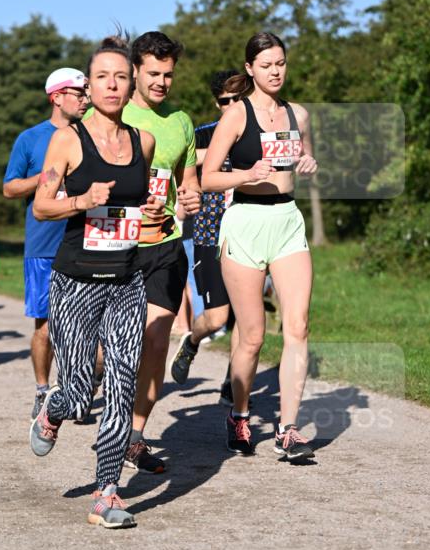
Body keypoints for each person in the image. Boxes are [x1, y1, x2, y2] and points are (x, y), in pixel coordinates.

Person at [30, 35, 161, 528]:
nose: (112, 84)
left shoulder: (143, 142)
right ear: (89, 85)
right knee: (81, 392)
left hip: (127, 280)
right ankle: (54, 409)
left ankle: (107, 493)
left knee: (123, 384)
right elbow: (42, 206)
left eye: (121, 76)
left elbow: (139, 206)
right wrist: (81, 201)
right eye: (102, 76)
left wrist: (154, 210)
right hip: (76, 282)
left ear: (132, 85)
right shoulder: (69, 140)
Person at [202, 32, 318, 461]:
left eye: (281, 63)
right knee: (251, 336)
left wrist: (308, 162)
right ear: (250, 69)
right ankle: (239, 415)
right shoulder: (237, 115)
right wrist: (246, 175)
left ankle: (288, 430)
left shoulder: (298, 114)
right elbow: (208, 177)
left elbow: (303, 159)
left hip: (286, 221)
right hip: (246, 222)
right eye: (267, 65)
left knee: (298, 326)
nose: (276, 71)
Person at [118, 31, 202, 474]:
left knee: (155, 342)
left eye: (168, 75)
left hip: (165, 244)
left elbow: (188, 181)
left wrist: (191, 196)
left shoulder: (181, 121)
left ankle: (134, 437)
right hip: (118, 245)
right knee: (115, 348)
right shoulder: (110, 112)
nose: (161, 82)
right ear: (135, 70)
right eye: (153, 73)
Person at [3, 68, 89, 417]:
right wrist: (47, 177)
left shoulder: (93, 135)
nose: (85, 99)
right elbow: (9, 188)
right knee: (46, 325)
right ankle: (43, 390)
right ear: (56, 97)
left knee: (88, 325)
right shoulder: (31, 138)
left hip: (87, 240)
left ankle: (80, 384)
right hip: (43, 245)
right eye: (78, 93)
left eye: (86, 93)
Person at [170, 70, 241, 403]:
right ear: (217, 103)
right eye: (226, 101)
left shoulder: (259, 133)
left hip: (249, 236)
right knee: (217, 318)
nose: (233, 105)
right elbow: (176, 169)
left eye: (239, 99)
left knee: (247, 320)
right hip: (209, 235)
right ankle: (192, 341)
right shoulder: (200, 135)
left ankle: (234, 382)